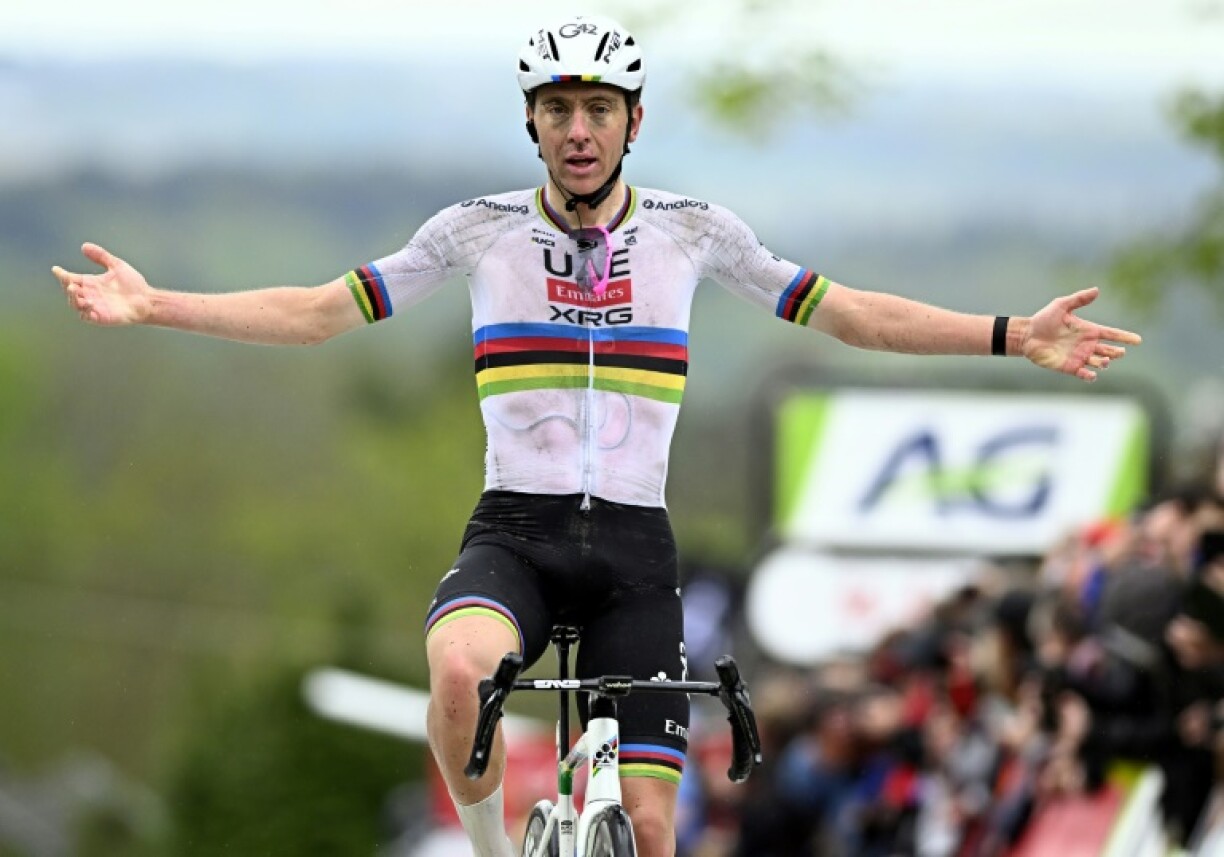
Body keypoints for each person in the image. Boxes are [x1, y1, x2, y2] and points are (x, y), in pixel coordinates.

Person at [51, 14, 1142, 857]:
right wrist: (161, 306)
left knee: (660, 833)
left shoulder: (695, 231)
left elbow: (849, 310)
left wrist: (1010, 333)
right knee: (455, 671)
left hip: (633, 554)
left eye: (601, 109)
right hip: (515, 534)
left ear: (634, 121)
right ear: (532, 120)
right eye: (559, 109)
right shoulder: (474, 231)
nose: (580, 130)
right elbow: (318, 310)